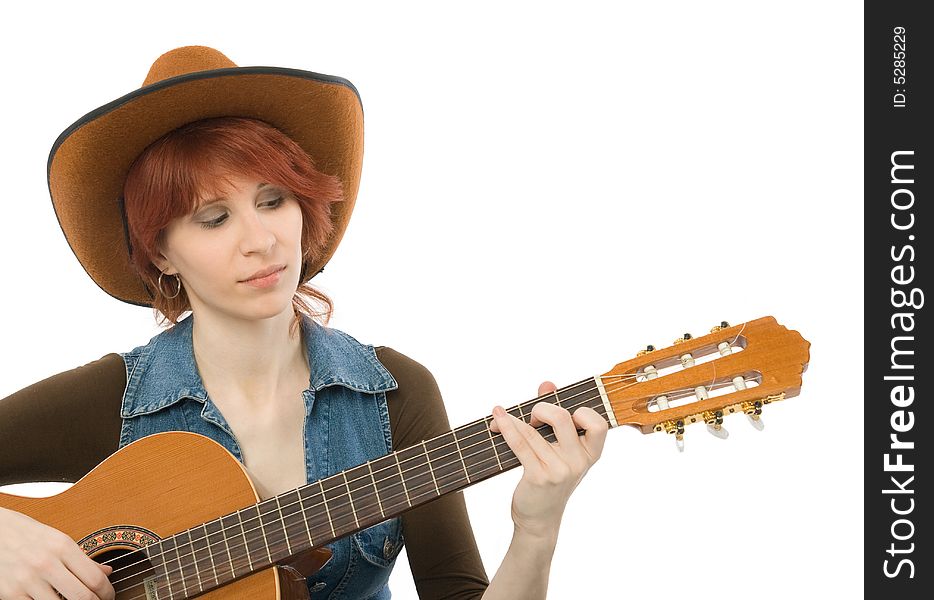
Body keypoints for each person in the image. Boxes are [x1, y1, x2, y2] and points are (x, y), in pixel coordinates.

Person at [0, 46, 607, 600]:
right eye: (214, 218)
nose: (261, 241)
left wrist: (536, 527)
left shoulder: (395, 392)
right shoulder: (114, 399)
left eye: (273, 201)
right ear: (161, 252)